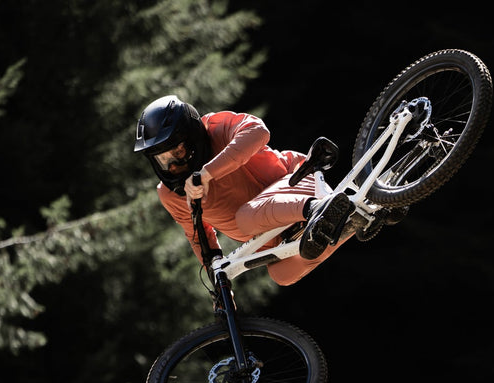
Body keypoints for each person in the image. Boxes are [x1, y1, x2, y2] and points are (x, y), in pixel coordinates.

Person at [133, 95, 364, 287]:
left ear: (192, 136)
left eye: (178, 152)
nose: (172, 165)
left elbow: (258, 132)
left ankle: (319, 208)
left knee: (245, 218)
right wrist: (220, 287)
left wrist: (207, 173)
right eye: (162, 160)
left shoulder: (215, 127)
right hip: (276, 235)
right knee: (281, 275)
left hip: (296, 182)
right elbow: (199, 236)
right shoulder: (171, 194)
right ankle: (356, 220)